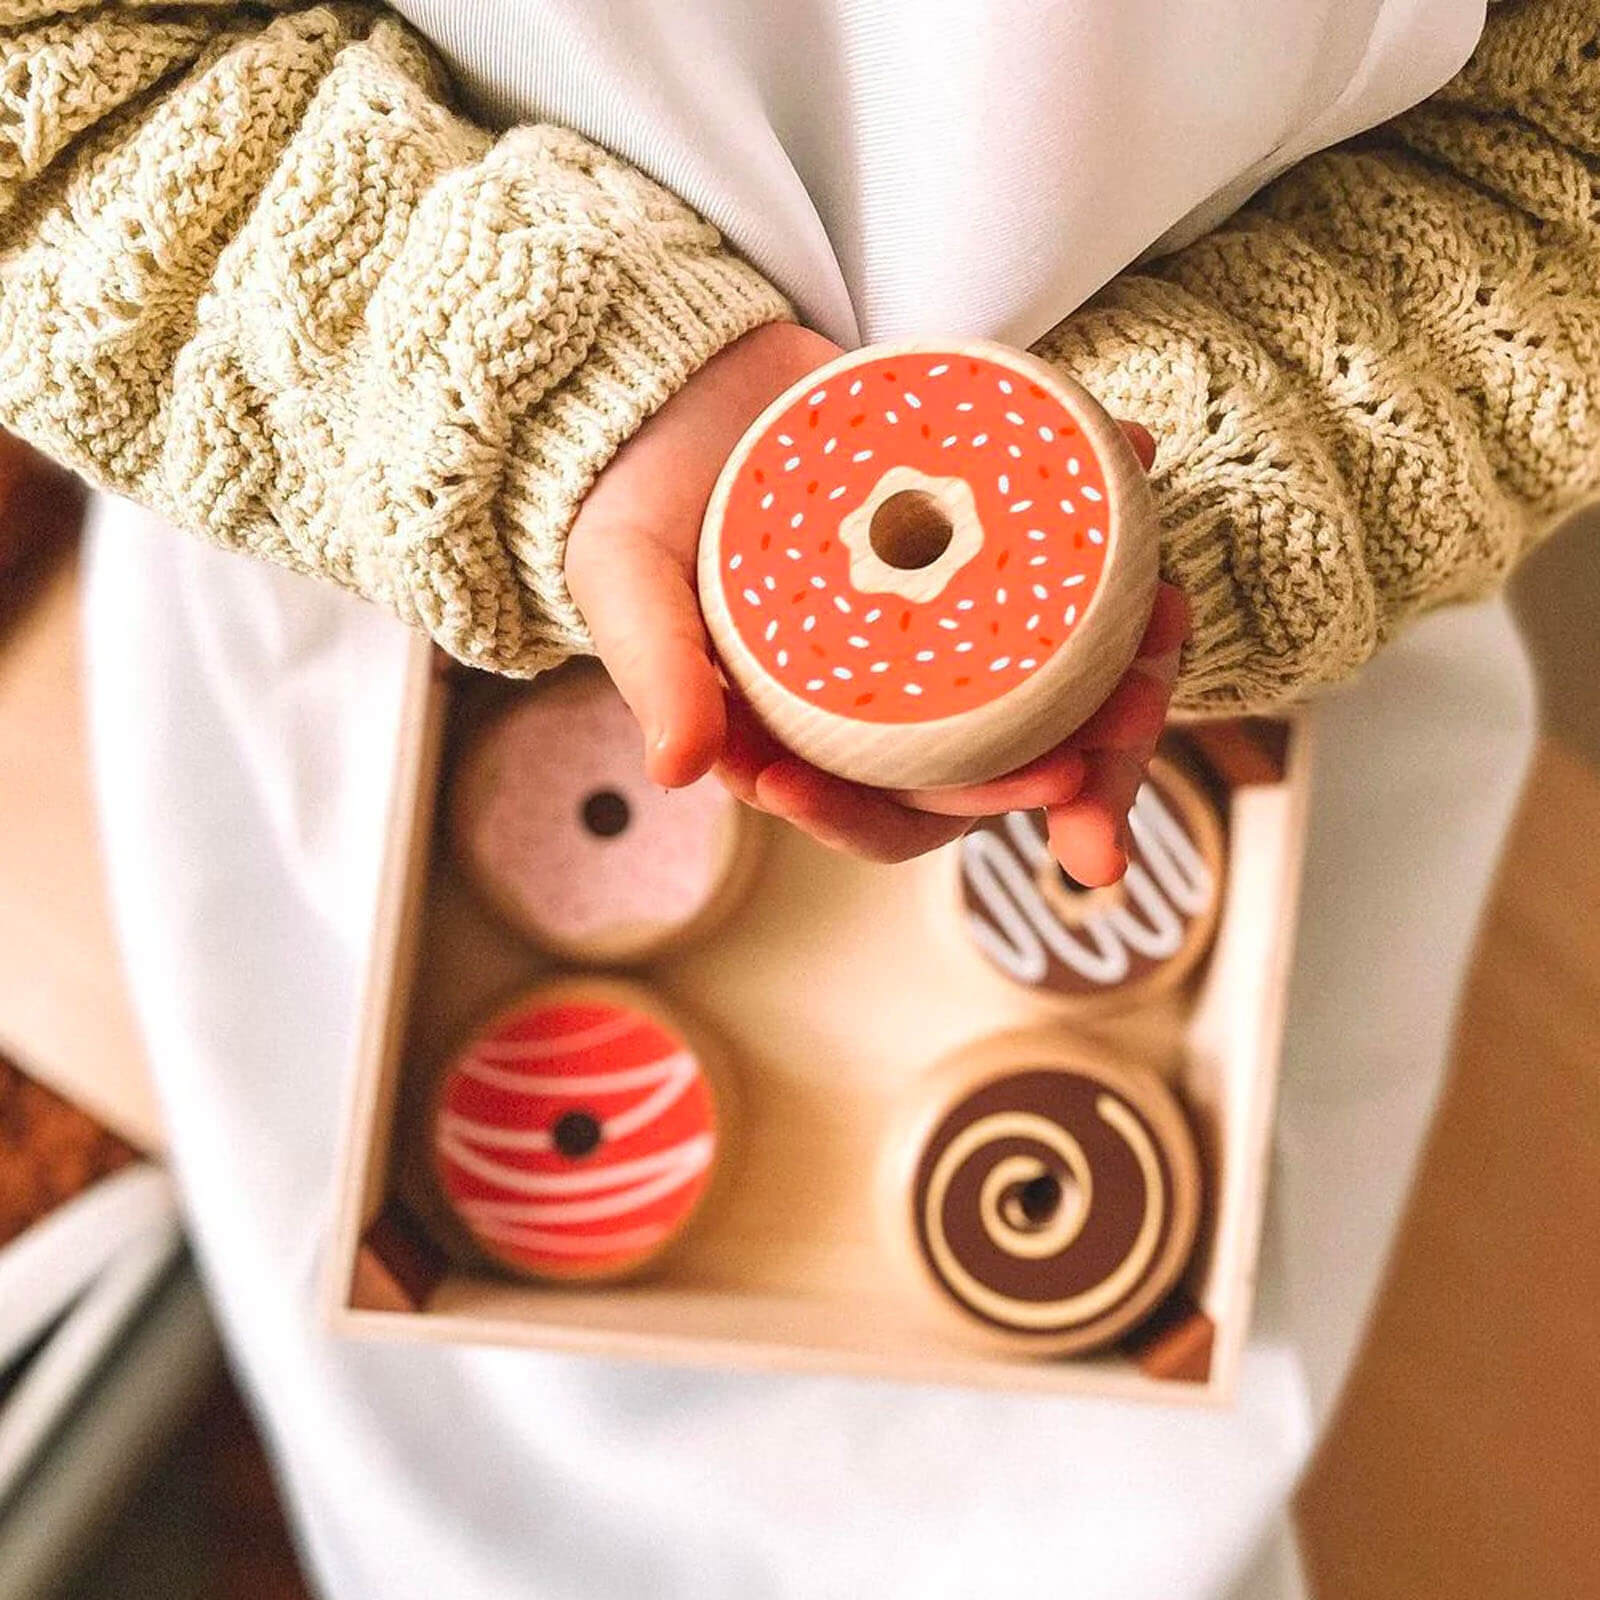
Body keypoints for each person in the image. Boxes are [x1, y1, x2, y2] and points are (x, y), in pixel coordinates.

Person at [3, 1, 1594, 1593]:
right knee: (487, 1458)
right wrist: (567, 392)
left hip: (1214, 661)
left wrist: (1161, 526)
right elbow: (50, 88)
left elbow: (1556, 171)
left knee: (1109, 1494)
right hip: (402, 520)